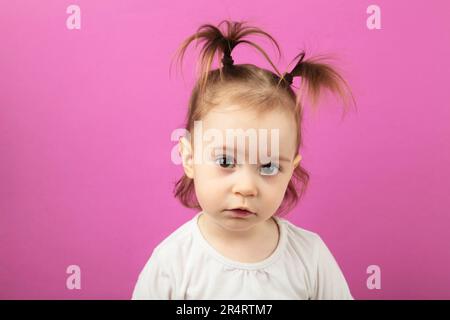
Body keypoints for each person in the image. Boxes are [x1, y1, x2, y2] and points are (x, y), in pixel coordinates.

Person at [132, 20, 356, 300]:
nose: (247, 187)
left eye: (269, 167)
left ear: (291, 170)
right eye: (226, 162)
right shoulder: (173, 263)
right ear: (189, 158)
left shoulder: (310, 257)